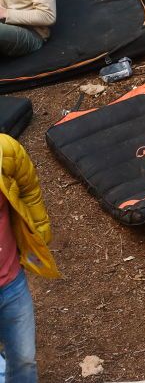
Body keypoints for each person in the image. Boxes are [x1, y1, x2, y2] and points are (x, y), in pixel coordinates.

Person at [0, 133, 60, 382]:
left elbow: (29, 190)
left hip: (12, 283)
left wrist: (40, 229)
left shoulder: (6, 151)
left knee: (24, 358)